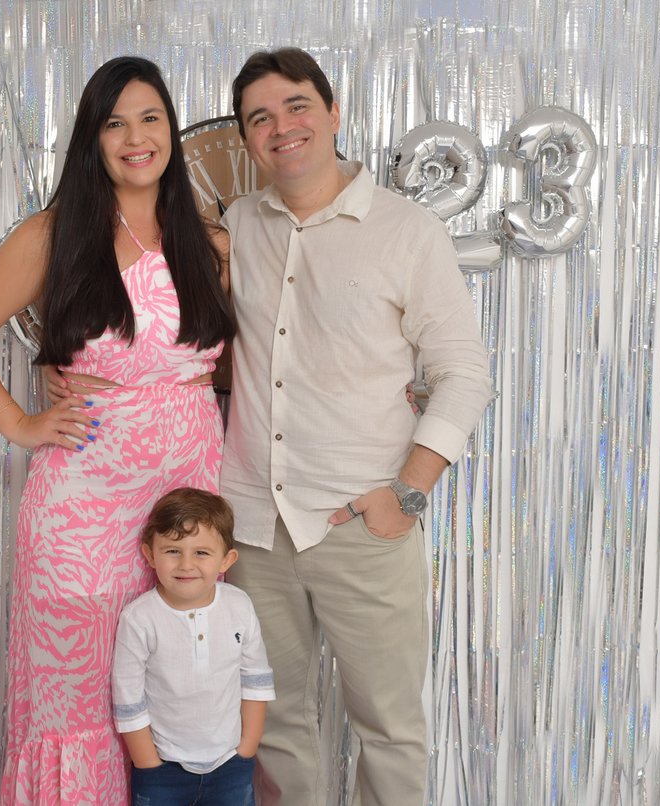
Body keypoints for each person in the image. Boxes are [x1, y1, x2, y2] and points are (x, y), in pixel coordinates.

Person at [0, 56, 236, 806]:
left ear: (171, 129)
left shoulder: (210, 242)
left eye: (150, 118)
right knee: (79, 697)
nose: (136, 138)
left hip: (188, 506)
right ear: (92, 140)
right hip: (83, 509)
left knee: (177, 696)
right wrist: (20, 423)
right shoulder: (54, 235)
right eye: (114, 124)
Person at [218, 48, 494, 806]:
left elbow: (464, 372)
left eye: (297, 106)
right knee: (273, 725)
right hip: (254, 527)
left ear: (333, 112)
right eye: (260, 117)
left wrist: (406, 493)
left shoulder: (407, 231)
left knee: (390, 728)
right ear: (246, 138)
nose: (282, 127)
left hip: (361, 522)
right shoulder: (239, 224)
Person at [111, 487, 275, 805]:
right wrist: (148, 763)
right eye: (173, 551)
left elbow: (255, 680)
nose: (186, 564)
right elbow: (128, 697)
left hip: (231, 766)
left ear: (226, 560)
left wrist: (247, 748)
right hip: (162, 771)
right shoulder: (139, 618)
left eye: (201, 553)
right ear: (150, 555)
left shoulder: (239, 605)